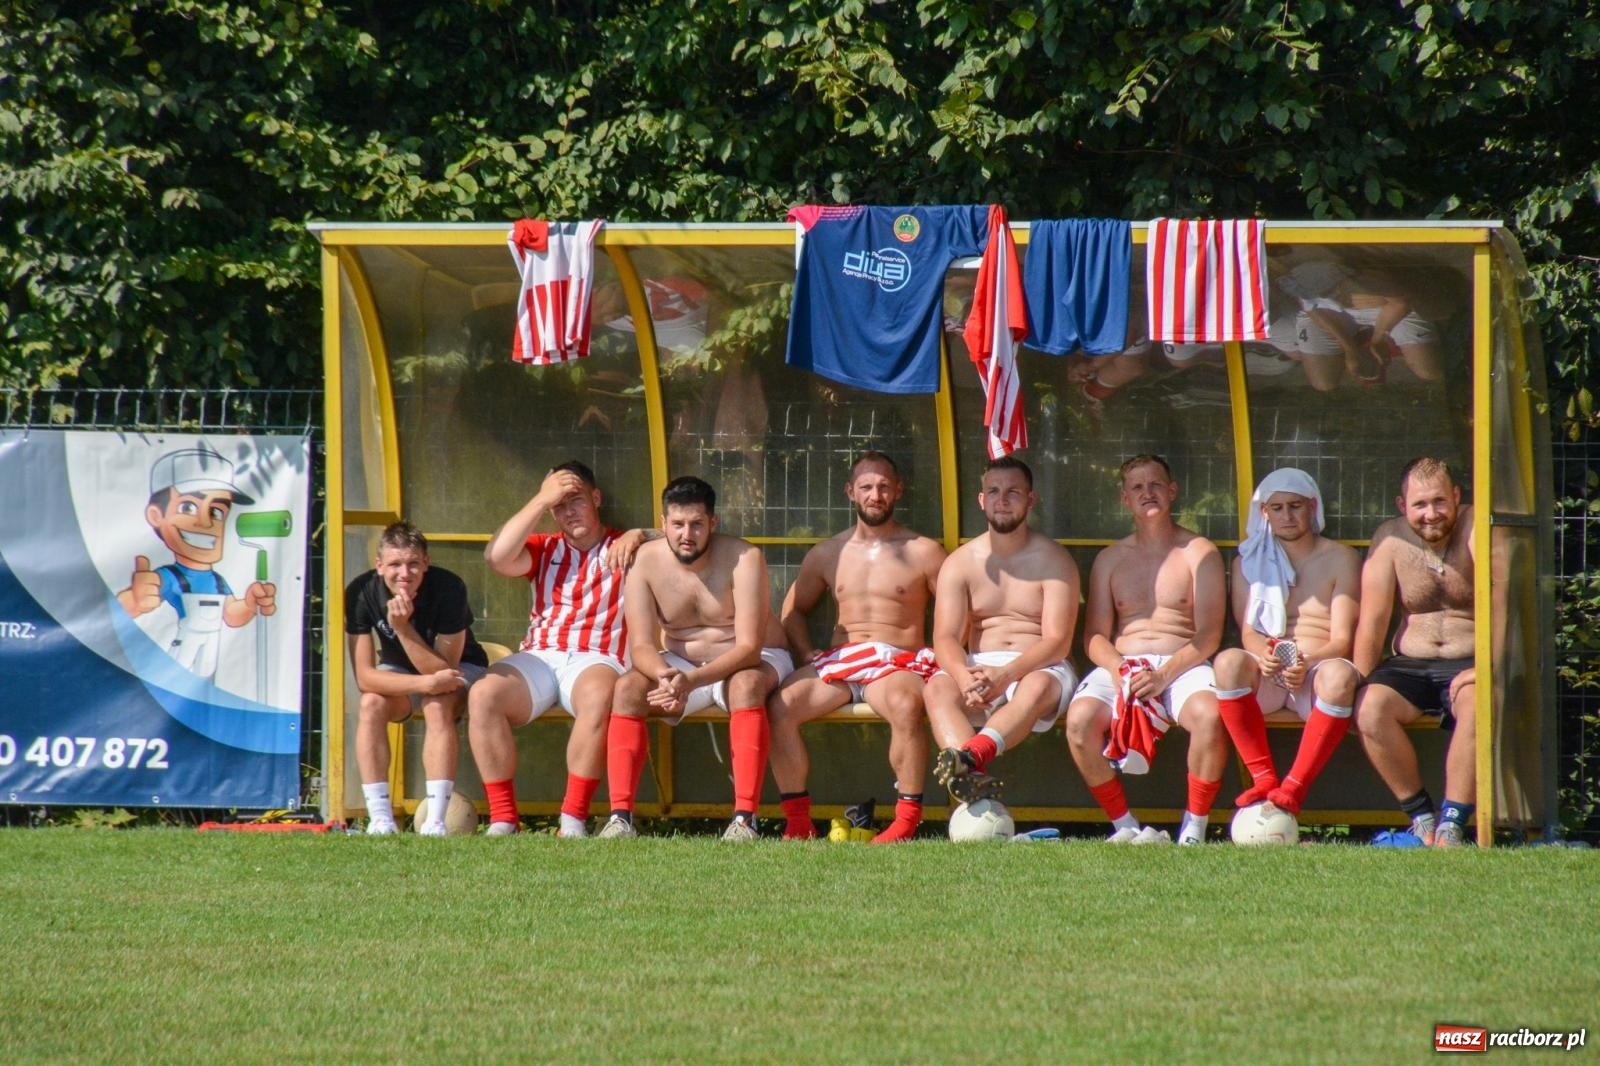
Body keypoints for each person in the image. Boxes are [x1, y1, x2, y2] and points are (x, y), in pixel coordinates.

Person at [766, 452, 948, 843]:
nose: (875, 494)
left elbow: (957, 615)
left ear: (898, 490)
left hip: (898, 663)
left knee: (905, 706)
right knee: (779, 707)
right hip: (841, 662)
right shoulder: (828, 552)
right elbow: (794, 610)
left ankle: (905, 822)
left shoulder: (924, 551)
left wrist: (943, 658)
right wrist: (806, 652)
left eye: (884, 486)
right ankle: (798, 822)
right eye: (866, 487)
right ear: (851, 492)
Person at [599, 476, 792, 841]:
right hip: (680, 662)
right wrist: (666, 675)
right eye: (677, 525)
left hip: (753, 657)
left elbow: (750, 647)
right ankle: (620, 818)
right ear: (662, 524)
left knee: (746, 686)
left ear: (712, 523)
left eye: (696, 524)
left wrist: (689, 682)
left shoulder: (745, 557)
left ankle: (744, 820)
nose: (687, 534)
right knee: (626, 689)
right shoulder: (644, 561)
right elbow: (640, 645)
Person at [467, 461, 647, 837]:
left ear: (596, 498)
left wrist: (643, 532)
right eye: (558, 505)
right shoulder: (544, 547)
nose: (569, 512)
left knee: (599, 695)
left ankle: (573, 818)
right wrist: (539, 500)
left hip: (597, 657)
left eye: (576, 500)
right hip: (541, 655)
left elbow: (685, 540)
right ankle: (503, 818)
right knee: (483, 693)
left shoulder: (623, 545)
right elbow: (496, 557)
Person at [1063, 455, 1228, 844]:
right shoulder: (1110, 558)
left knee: (1211, 716)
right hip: (1124, 665)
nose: (1147, 493)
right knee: (1079, 721)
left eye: (1155, 485)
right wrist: (1122, 670)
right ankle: (1125, 826)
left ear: (1172, 491)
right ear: (1125, 499)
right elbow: (1094, 637)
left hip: (1183, 665)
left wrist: (1163, 675)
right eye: (1137, 488)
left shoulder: (1199, 551)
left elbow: (1208, 634)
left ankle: (1194, 828)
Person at [925, 457, 1080, 808]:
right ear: (981, 500)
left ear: (1031, 498)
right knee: (937, 687)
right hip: (979, 664)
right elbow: (945, 638)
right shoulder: (961, 562)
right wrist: (963, 676)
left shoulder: (1055, 560)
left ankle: (969, 757)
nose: (1003, 500)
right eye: (993, 491)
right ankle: (976, 786)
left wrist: (1007, 674)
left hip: (1042, 666)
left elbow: (1058, 642)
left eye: (1013, 492)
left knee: (1036, 685)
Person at [1212, 470, 1362, 819]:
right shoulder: (1248, 561)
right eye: (1276, 508)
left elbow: (1342, 640)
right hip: (1270, 671)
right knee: (1229, 662)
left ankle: (1293, 788)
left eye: (1295, 506)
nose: (1287, 516)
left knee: (1340, 676)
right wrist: (1263, 656)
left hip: (1317, 672)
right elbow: (1249, 632)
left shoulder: (1342, 558)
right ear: (1264, 513)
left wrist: (1307, 662)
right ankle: (1263, 779)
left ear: (1312, 507)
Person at [1353, 457, 1477, 846]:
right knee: (1369, 709)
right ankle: (1422, 819)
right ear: (1401, 504)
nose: (1431, 514)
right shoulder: (1389, 540)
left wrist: (1490, 668)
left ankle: (1452, 824)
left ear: (1456, 497)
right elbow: (1373, 621)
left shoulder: (1478, 528)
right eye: (1420, 505)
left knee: (1477, 704)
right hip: (1410, 663)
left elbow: (1507, 607)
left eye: (1440, 501)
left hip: (1471, 661)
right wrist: (1357, 679)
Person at [345, 522, 489, 836]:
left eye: (412, 563)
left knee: (437, 705)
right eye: (395, 564)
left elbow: (444, 673)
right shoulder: (361, 591)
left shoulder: (449, 587)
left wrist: (402, 628)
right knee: (370, 704)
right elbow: (366, 679)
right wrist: (422, 685)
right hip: (407, 676)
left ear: (426, 563)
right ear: (379, 565)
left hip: (461, 667)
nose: (404, 573)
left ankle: (436, 821)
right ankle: (380, 819)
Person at [117, 446, 276, 679]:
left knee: (206, 684)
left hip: (209, 655)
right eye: (188, 507)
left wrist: (250, 603)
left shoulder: (218, 581)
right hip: (184, 648)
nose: (205, 522)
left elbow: (231, 614)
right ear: (156, 516)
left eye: (217, 512)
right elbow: (114, 612)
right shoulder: (171, 577)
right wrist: (136, 600)